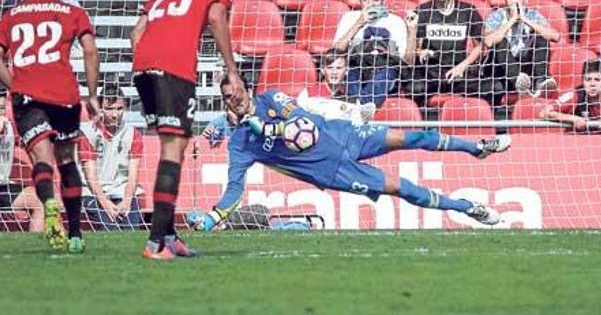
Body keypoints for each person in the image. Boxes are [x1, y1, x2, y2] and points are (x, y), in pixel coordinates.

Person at [185, 77, 512, 236]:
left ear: (244, 84)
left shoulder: (271, 98)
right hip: (332, 170)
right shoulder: (240, 145)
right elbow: (234, 190)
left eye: (238, 90)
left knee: (411, 136)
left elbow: (304, 123)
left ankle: (477, 148)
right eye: (229, 96)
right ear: (224, 101)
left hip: (342, 134)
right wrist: (214, 217)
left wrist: (269, 130)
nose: (237, 97)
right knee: (401, 188)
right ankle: (469, 208)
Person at [130, 0, 246, 260]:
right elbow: (216, 16)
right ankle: (155, 244)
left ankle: (169, 234)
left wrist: (144, 64)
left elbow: (137, 31)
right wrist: (232, 71)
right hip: (174, 65)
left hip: (143, 62)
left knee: (175, 144)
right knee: (173, 146)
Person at [0, 0, 99, 253]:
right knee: (67, 160)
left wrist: (15, 84)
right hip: (66, 95)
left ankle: (50, 203)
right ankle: (76, 233)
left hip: (29, 97)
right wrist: (92, 94)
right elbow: (90, 51)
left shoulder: (11, 16)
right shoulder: (73, 12)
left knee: (41, 160)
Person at [407, 0, 501, 108]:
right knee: (413, 89)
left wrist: (462, 67)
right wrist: (421, 51)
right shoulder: (423, 11)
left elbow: (481, 47)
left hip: (459, 74)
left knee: (495, 88)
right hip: (431, 75)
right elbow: (414, 52)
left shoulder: (467, 11)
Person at [332, 0, 409, 108]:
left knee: (385, 72)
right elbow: (336, 51)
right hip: (357, 67)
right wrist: (359, 23)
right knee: (352, 70)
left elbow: (405, 59)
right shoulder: (349, 18)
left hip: (384, 69)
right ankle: (361, 109)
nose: (370, 4)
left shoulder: (396, 22)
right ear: (359, 0)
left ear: (383, 1)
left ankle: (358, 109)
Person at [79, 85, 145, 230]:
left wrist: (127, 201)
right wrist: (106, 204)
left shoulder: (134, 135)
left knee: (131, 230)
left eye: (119, 108)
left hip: (122, 191)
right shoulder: (88, 134)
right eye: (109, 109)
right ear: (100, 109)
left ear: (125, 107)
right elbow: (91, 178)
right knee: (110, 229)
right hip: (93, 193)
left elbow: (133, 176)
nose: (115, 114)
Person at [484, 0, 560, 99]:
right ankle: (517, 82)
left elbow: (555, 36)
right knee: (499, 41)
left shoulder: (533, 15)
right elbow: (488, 41)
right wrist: (513, 20)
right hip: (500, 69)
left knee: (541, 36)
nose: (515, 1)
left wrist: (525, 20)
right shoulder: (496, 16)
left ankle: (541, 80)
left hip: (526, 67)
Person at [540, 60, 601, 134]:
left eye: (597, 80)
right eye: (588, 80)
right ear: (582, 81)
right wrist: (573, 119)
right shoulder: (575, 95)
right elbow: (544, 112)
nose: (592, 84)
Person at [0, 91, 43, 232]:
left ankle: (33, 246)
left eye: (1, 108)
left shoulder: (10, 126)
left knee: (39, 200)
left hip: (2, 187)